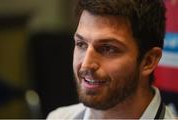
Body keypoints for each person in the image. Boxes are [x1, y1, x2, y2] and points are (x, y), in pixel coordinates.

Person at [47, 0, 176, 119]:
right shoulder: (58, 117)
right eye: (81, 44)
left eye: (108, 48)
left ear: (148, 61)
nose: (86, 65)